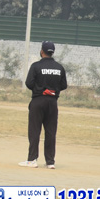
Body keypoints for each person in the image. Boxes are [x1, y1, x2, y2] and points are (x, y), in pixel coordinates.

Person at [21, 40, 68, 169]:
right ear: (52, 52)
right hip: (52, 103)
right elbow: (64, 85)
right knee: (51, 132)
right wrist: (53, 89)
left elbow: (29, 83)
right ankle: (50, 162)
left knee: (34, 131)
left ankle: (32, 160)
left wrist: (39, 88)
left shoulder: (36, 66)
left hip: (38, 100)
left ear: (42, 51)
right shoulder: (59, 67)